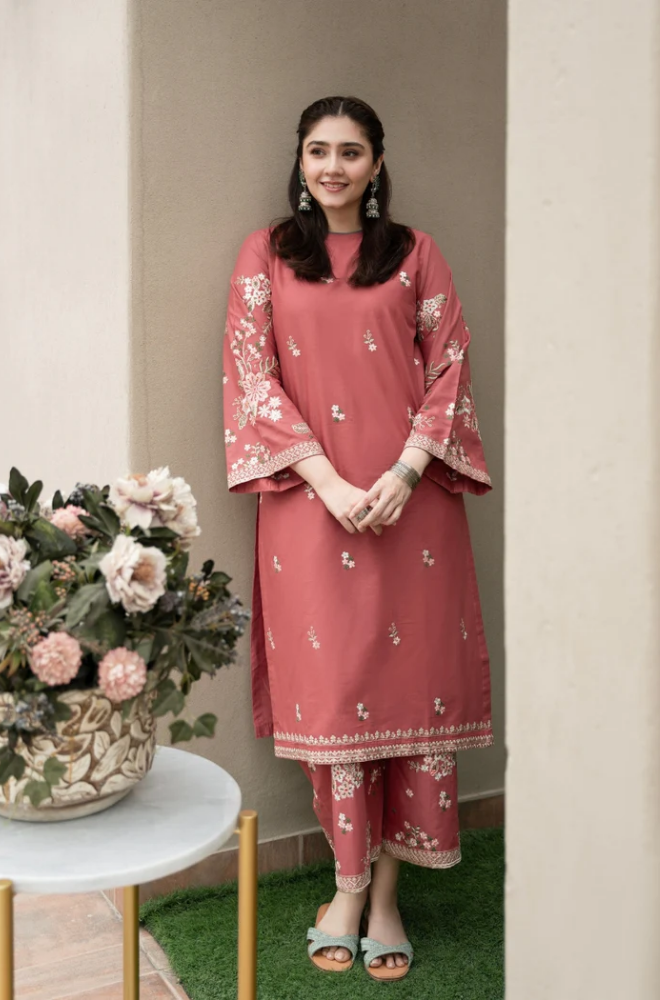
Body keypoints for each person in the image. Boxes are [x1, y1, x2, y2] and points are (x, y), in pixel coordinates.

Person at [222, 95, 493, 982]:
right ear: (298, 162)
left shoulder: (415, 254)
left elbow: (450, 366)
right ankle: (342, 885)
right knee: (336, 696)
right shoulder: (267, 254)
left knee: (403, 696)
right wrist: (330, 481)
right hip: (310, 506)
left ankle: (383, 897)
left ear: (377, 164)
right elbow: (250, 376)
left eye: (350, 152)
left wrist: (406, 472)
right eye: (317, 151)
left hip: (409, 511)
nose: (332, 167)